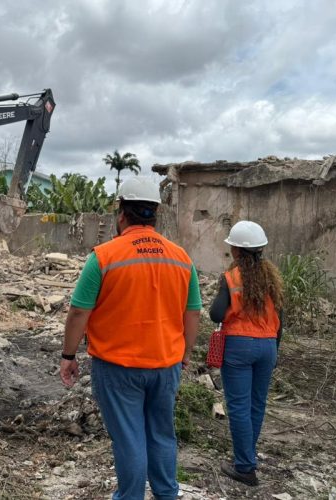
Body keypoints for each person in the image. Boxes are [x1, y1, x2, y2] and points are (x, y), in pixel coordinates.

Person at [59, 176, 202, 500]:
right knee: (162, 435)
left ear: (121, 213)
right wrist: (186, 354)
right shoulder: (181, 258)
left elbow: (79, 312)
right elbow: (192, 314)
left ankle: (131, 496)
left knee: (129, 438)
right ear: (155, 214)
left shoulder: (104, 257)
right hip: (166, 365)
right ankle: (167, 494)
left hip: (118, 368)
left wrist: (68, 356)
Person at [209, 220, 284, 487]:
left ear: (237, 251)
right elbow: (280, 318)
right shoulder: (271, 278)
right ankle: (246, 457)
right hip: (267, 346)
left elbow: (216, 314)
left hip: (239, 346)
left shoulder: (231, 277)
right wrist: (274, 350)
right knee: (256, 404)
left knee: (239, 406)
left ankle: (244, 467)